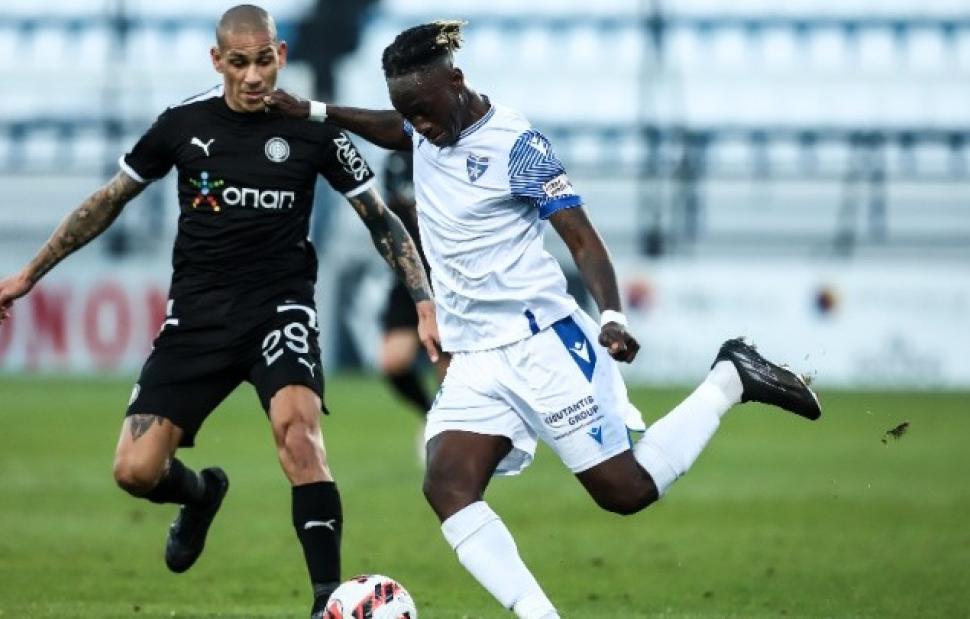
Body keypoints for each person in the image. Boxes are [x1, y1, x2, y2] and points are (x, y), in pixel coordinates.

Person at [265, 20, 821, 619]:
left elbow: (583, 239)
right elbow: (393, 127)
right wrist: (317, 111)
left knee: (625, 491)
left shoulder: (516, 145)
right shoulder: (425, 125)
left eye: (423, 111)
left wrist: (612, 314)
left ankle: (729, 378)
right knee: (446, 485)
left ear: (456, 81)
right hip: (476, 356)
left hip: (541, 344)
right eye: (409, 115)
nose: (418, 127)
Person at [0, 6, 436, 619]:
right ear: (217, 61)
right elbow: (107, 201)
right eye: (239, 63)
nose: (253, 76)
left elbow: (381, 220)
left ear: (280, 55)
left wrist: (423, 301)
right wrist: (28, 274)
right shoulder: (182, 124)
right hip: (198, 317)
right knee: (134, 470)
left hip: (280, 310)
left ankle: (325, 602)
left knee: (300, 435)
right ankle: (202, 494)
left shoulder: (311, 129)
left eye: (263, 61)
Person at [379, 151, 449, 421]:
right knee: (393, 361)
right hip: (409, 278)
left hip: (446, 277)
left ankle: (449, 425)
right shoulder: (396, 161)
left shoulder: (448, 153)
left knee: (449, 366)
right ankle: (431, 416)